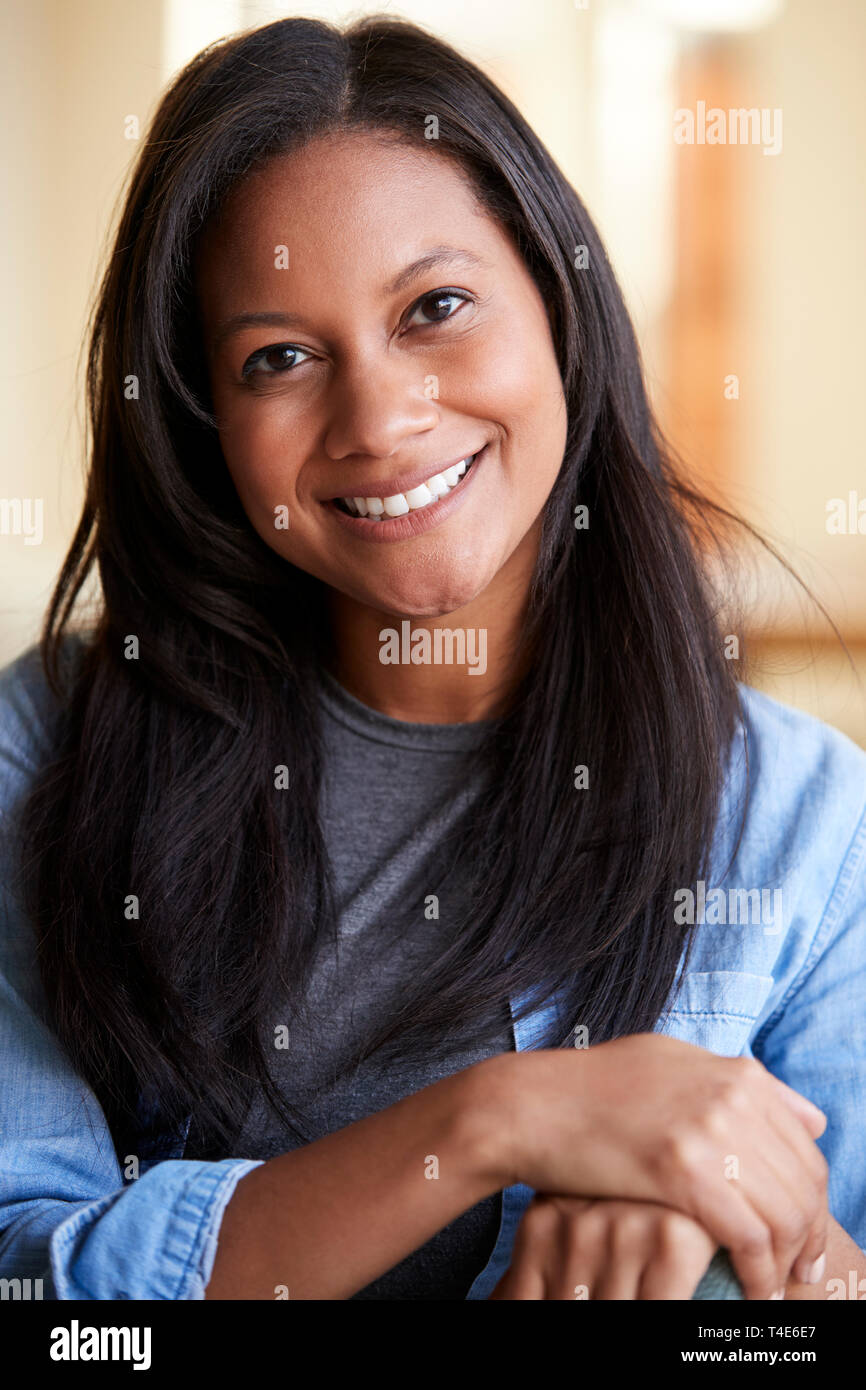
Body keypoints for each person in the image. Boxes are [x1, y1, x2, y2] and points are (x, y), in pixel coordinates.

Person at [1, 14, 864, 1302]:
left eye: (436, 307)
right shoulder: (51, 746)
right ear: (204, 425)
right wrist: (490, 1125)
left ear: (559, 307)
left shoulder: (803, 825)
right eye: (278, 357)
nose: (381, 419)